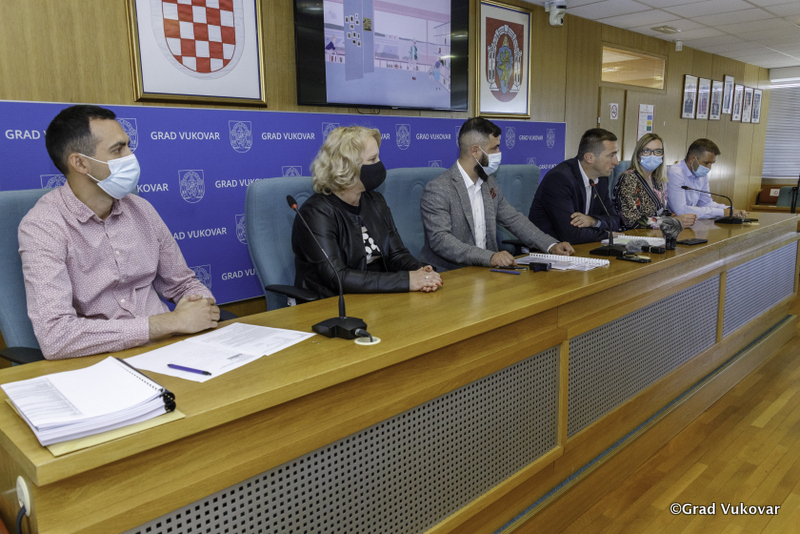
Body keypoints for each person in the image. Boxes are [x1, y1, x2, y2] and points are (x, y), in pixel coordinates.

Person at [19, 105, 219, 360]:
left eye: (128, 146)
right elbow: (55, 336)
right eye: (118, 149)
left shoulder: (142, 209)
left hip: (172, 348)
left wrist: (200, 306)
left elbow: (183, 284)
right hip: (102, 363)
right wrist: (167, 323)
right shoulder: (43, 226)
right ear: (80, 162)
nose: (131, 156)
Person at [292, 126, 442, 297]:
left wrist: (422, 272)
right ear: (346, 166)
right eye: (372, 159)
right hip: (334, 302)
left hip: (379, 295)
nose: (379, 164)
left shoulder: (376, 201)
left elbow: (397, 255)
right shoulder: (316, 213)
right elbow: (337, 276)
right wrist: (406, 281)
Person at [419, 117, 573, 272]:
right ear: (475, 151)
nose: (499, 153)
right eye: (494, 148)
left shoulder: (489, 182)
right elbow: (441, 240)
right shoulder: (438, 189)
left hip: (486, 271)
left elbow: (513, 219)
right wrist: (489, 257)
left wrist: (550, 245)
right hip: (450, 273)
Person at [528, 128, 621, 244]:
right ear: (589, 158)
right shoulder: (559, 179)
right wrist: (607, 235)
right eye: (611, 155)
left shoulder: (601, 178)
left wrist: (593, 221)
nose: (616, 162)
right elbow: (571, 234)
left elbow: (615, 221)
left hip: (583, 246)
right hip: (550, 248)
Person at [613, 133, 696, 230]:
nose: (652, 155)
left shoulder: (657, 180)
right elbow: (630, 220)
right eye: (646, 151)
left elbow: (661, 212)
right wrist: (672, 221)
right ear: (638, 155)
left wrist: (681, 218)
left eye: (657, 151)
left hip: (654, 234)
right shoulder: (628, 179)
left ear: (662, 156)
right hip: (633, 235)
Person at [666, 138, 748, 219]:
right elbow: (681, 210)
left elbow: (706, 203)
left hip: (689, 222)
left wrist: (730, 210)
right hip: (671, 223)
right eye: (706, 163)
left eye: (711, 164)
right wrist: (723, 213)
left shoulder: (701, 174)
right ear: (692, 159)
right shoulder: (675, 173)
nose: (709, 168)